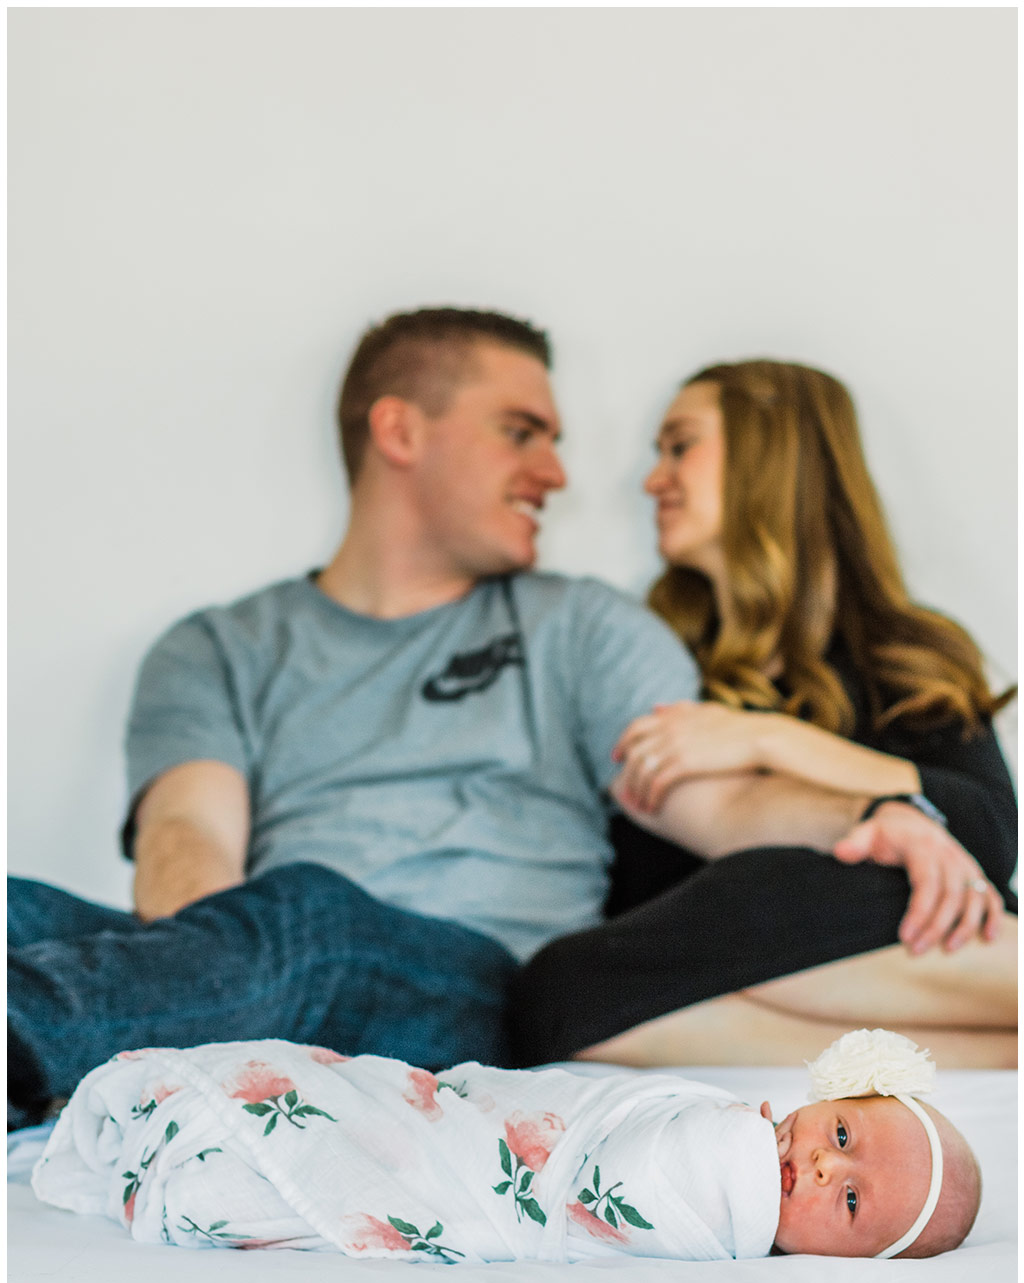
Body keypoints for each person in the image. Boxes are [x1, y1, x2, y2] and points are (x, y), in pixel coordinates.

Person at [7, 317, 1007, 1123]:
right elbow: (187, 839)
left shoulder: (588, 627)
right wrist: (205, 991)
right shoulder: (215, 645)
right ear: (400, 432)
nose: (562, 473)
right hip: (250, 963)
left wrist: (878, 810)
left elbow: (715, 799)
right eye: (521, 432)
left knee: (313, 915)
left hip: (470, 985)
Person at [510, 360, 1017, 1069]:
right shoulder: (650, 655)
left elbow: (984, 842)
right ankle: (980, 1054)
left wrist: (765, 740)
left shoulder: (903, 650)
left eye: (680, 446)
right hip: (736, 960)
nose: (654, 480)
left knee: (844, 873)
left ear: (769, 458)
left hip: (905, 932)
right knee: (560, 995)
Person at [31, 1028, 979, 1263]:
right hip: (456, 1124)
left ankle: (192, 1155)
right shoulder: (723, 1116)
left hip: (476, 1198)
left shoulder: (727, 1199)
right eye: (844, 1134)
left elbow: (650, 1178)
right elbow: (577, 1115)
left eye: (849, 1201)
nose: (820, 1166)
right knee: (347, 1092)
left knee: (234, 1182)